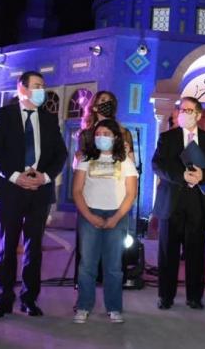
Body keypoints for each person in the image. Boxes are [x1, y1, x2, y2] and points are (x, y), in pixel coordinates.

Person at [0, 71, 68, 318]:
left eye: (42, 86)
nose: (41, 89)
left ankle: (29, 299)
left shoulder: (49, 119)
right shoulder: (4, 115)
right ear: (22, 88)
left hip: (39, 192)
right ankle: (4, 299)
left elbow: (60, 155)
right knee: (7, 247)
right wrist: (15, 176)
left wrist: (44, 178)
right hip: (10, 189)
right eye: (36, 85)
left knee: (34, 249)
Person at [151, 97, 205, 310]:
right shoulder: (167, 138)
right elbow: (158, 165)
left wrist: (204, 175)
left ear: (198, 115)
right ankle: (166, 296)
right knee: (168, 252)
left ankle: (194, 297)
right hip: (172, 201)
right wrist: (182, 176)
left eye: (189, 110)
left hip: (197, 203)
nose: (184, 113)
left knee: (195, 251)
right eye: (182, 109)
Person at [72, 119, 138, 324]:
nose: (101, 137)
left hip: (117, 216)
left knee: (113, 266)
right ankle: (83, 306)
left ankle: (114, 307)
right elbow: (76, 191)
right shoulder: (86, 159)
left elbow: (131, 193)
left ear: (115, 137)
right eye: (98, 133)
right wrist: (90, 216)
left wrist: (116, 218)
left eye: (106, 134)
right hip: (89, 213)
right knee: (87, 265)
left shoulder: (125, 161)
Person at [77, 91, 134, 162]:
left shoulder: (123, 132)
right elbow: (79, 160)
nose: (108, 103)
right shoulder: (86, 134)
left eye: (111, 101)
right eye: (103, 100)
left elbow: (131, 161)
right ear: (95, 107)